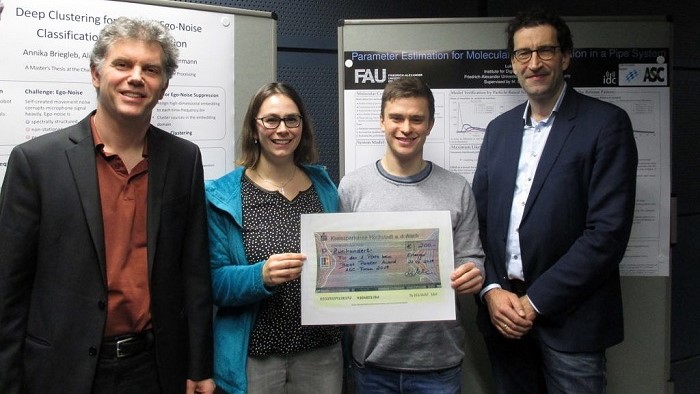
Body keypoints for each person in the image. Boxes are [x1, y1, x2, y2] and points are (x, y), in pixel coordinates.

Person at [0, 17, 215, 394]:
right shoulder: (36, 162)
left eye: (150, 69)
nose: (136, 77)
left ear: (163, 88)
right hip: (59, 370)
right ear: (96, 74)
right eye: (122, 64)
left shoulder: (184, 160)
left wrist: (199, 366)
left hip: (155, 368)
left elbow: (194, 273)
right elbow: (9, 289)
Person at [472, 8, 638, 393]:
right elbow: (480, 222)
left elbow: (607, 234)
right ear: (513, 62)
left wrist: (534, 302)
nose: (534, 63)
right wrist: (492, 290)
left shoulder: (605, 124)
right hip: (503, 318)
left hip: (572, 321)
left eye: (545, 51)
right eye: (523, 54)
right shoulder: (499, 131)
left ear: (565, 57)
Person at [338, 76, 485, 394]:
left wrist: (473, 273)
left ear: (430, 124)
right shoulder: (352, 188)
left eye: (416, 119)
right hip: (371, 361)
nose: (406, 128)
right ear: (381, 121)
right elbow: (342, 272)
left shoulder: (457, 188)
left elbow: (472, 257)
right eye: (397, 118)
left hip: (438, 363)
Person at [205, 82, 343, 394]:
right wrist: (260, 276)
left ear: (302, 127)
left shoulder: (324, 186)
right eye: (271, 120)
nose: (282, 129)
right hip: (255, 357)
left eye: (292, 119)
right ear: (254, 129)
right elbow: (213, 282)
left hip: (321, 352)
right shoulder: (224, 195)